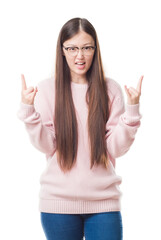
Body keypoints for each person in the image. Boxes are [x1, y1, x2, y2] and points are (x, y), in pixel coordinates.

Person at [17, 17, 143, 240]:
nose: (80, 55)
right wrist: (29, 113)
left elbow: (115, 149)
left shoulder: (110, 89)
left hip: (104, 203)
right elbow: (47, 145)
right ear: (62, 50)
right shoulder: (47, 89)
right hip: (58, 204)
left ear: (95, 49)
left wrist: (132, 112)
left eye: (86, 47)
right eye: (72, 48)